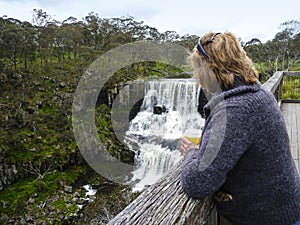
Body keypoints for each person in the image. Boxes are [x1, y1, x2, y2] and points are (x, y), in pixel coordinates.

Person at [180, 31, 300, 225]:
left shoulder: (235, 110)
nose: (196, 76)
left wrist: (192, 153)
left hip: (269, 218)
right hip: (283, 208)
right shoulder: (258, 93)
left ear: (208, 69)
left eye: (197, 68)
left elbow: (198, 183)